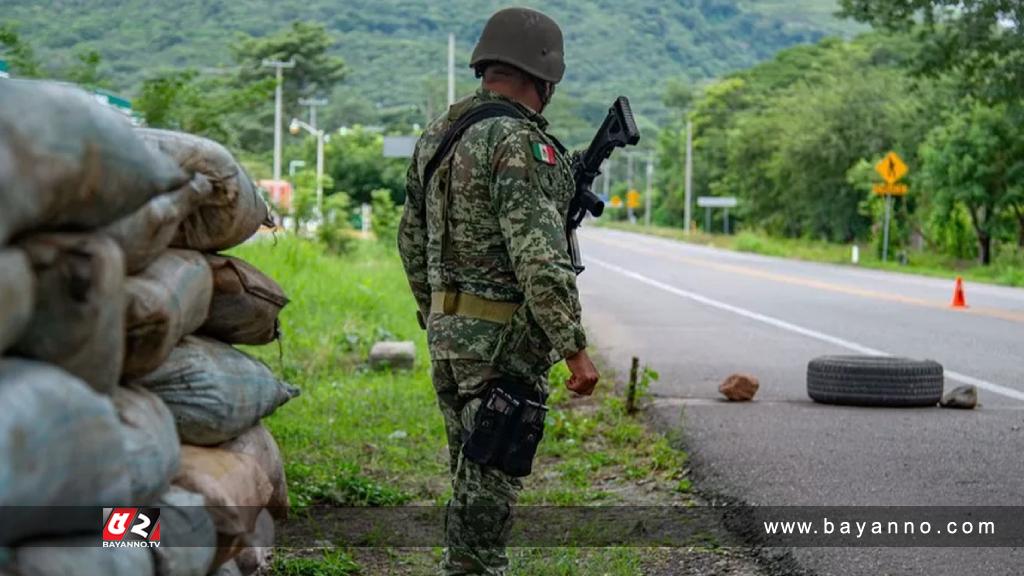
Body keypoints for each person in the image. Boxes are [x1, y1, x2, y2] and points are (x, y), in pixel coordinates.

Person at [397, 6, 599, 575]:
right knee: (486, 506)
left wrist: (433, 311)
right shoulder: (517, 141)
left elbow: (410, 240)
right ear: (544, 76)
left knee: (470, 477)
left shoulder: (439, 133)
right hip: (503, 349)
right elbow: (540, 256)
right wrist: (573, 347)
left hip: (447, 338)